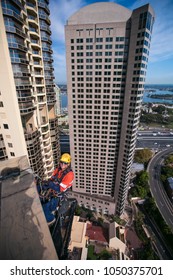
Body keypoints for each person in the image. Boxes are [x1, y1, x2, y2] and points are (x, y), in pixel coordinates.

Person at [40, 153, 74, 225]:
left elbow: (60, 189)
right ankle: (51, 211)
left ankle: (51, 219)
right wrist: (46, 184)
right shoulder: (58, 169)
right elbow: (52, 178)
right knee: (49, 206)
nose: (62, 164)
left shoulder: (69, 175)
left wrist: (50, 184)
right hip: (53, 192)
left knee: (44, 208)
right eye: (61, 162)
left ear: (68, 164)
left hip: (59, 196)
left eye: (65, 163)